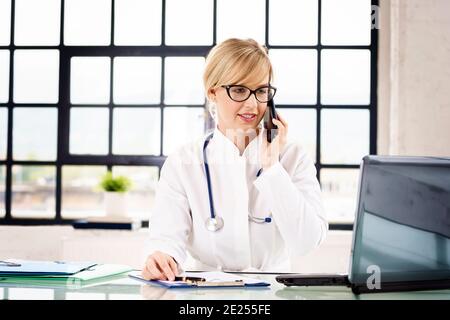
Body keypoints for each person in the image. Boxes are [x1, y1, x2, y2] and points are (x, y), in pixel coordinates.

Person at [142, 38, 328, 281]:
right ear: (212, 92)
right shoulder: (183, 162)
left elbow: (306, 242)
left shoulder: (292, 157)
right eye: (239, 90)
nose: (252, 104)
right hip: (206, 295)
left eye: (261, 91)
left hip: (273, 292)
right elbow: (166, 238)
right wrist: (162, 258)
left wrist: (272, 167)